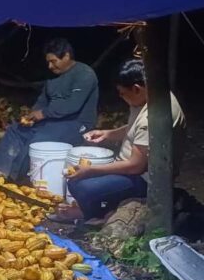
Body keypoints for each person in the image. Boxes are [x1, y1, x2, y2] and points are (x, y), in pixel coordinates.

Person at [53, 59, 187, 222]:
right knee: (81, 179)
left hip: (146, 181)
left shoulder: (152, 118)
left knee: (79, 184)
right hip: (132, 169)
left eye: (123, 93)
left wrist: (91, 170)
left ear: (137, 89)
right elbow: (134, 129)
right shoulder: (152, 94)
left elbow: (135, 167)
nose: (121, 97)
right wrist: (107, 134)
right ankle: (103, 208)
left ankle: (95, 213)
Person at [0, 38, 99, 182]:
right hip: (52, 120)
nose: (50, 66)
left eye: (53, 61)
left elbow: (73, 104)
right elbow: (42, 101)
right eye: (48, 62)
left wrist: (43, 113)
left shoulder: (84, 74)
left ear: (66, 56)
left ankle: (18, 178)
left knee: (38, 140)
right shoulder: (52, 78)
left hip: (76, 123)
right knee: (16, 130)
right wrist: (32, 117)